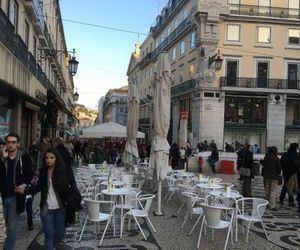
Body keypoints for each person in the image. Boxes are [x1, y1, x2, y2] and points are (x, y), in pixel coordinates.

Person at [25, 147, 77, 250]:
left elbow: (73, 184)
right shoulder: (43, 171)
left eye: (51, 158)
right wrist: (25, 191)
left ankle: (52, 246)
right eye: (46, 158)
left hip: (61, 208)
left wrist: (71, 197)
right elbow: (38, 187)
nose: (48, 160)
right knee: (48, 236)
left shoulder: (66, 170)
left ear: (56, 158)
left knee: (60, 235)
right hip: (46, 209)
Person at [0, 132, 33, 250]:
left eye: (13, 142)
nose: (10, 145)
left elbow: (30, 175)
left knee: (12, 227)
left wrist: (24, 185)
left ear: (18, 143)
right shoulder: (2, 157)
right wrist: (3, 158)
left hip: (15, 197)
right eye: (8, 142)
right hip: (2, 197)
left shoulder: (24, 157)